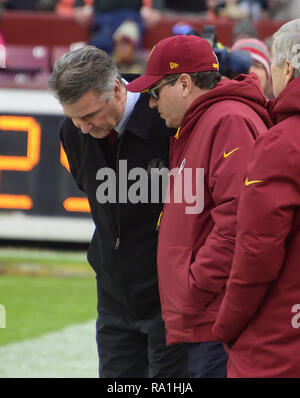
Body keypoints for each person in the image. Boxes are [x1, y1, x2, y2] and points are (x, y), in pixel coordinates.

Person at [126, 34, 273, 377]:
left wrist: (195, 284)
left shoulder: (227, 120)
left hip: (215, 316)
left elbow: (239, 221)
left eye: (154, 93)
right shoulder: (203, 122)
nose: (151, 104)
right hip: (204, 314)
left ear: (184, 83)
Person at [47, 45, 188, 378]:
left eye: (90, 115)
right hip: (113, 299)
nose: (82, 127)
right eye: (74, 117)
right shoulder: (73, 132)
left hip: (170, 301)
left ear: (116, 89)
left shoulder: (166, 119)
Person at [212, 18, 300, 378]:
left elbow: (257, 252)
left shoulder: (282, 143)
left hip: (279, 338)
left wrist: (227, 325)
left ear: (288, 68)